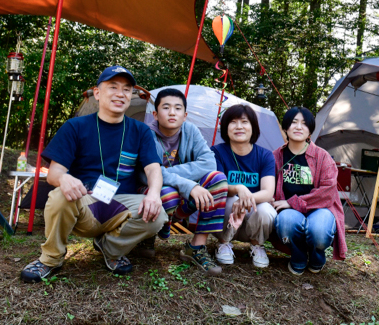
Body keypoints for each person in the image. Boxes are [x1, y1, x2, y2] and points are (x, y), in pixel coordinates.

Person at [20, 66, 168, 283]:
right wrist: (64, 178)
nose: (121, 94)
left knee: (158, 215)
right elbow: (54, 173)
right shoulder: (75, 127)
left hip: (120, 204)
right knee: (59, 195)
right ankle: (51, 258)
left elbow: (153, 168)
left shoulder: (140, 130)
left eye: (127, 90)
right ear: (97, 93)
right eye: (113, 87)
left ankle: (110, 247)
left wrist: (154, 194)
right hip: (84, 203)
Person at [136, 88, 228, 275]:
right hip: (152, 193)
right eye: (166, 107)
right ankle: (148, 235)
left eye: (178, 108)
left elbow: (209, 163)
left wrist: (167, 173)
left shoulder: (191, 131)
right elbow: (145, 174)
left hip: (183, 199)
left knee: (218, 179)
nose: (172, 112)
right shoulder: (145, 133)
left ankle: (196, 247)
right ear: (155, 114)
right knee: (166, 192)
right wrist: (189, 185)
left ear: (185, 115)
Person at [271, 107, 346, 275]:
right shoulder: (276, 156)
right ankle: (297, 256)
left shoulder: (322, 157)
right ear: (285, 127)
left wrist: (292, 202)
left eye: (304, 124)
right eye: (293, 122)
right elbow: (268, 184)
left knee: (319, 231)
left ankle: (316, 256)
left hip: (320, 209)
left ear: (310, 130)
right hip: (289, 212)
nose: (298, 127)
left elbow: (327, 192)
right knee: (286, 222)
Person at [210, 104, 276, 268]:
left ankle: (256, 244)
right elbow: (218, 186)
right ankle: (223, 242)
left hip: (252, 219)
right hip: (227, 217)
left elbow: (268, 192)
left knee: (266, 210)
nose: (239, 126)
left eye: (244, 122)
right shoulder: (217, 152)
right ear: (226, 128)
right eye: (233, 122)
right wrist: (239, 189)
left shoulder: (265, 155)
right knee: (229, 201)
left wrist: (247, 198)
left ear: (253, 127)